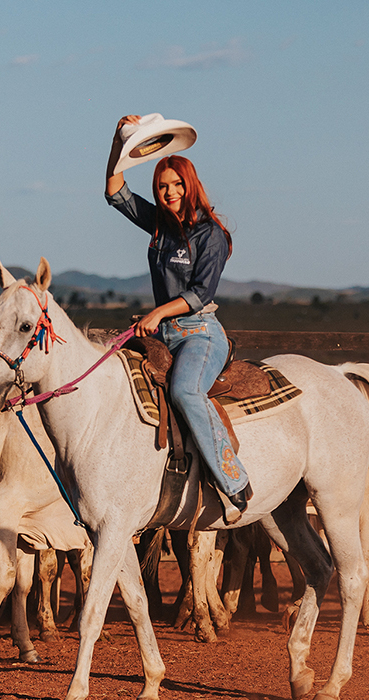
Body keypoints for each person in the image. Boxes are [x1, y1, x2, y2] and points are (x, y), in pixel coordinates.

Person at [104, 114, 252, 521]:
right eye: (162, 187)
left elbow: (200, 293)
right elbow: (114, 192)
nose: (169, 192)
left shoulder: (211, 235)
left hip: (198, 333)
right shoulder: (160, 226)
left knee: (185, 393)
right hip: (162, 332)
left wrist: (157, 313)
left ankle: (234, 480)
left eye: (176, 185)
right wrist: (118, 140)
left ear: (191, 185)